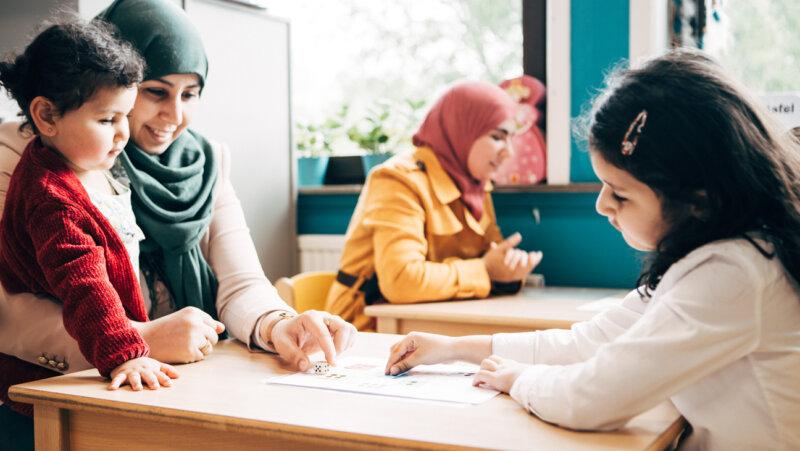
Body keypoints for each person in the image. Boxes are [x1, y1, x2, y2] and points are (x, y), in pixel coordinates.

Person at [384, 49, 800, 450]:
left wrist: (518, 378)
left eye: (619, 193)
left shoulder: (732, 272)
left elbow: (590, 399)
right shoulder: (720, 256)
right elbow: (587, 343)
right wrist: (455, 348)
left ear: (697, 198)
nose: (602, 205)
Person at [0, 0, 356, 446]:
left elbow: (240, 280)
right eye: (156, 92)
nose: (173, 116)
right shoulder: (33, 155)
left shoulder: (205, 160)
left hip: (182, 380)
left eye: (189, 95)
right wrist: (141, 340)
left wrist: (278, 325)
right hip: (80, 386)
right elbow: (18, 307)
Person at [0, 14, 180, 410]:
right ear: (47, 116)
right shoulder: (50, 198)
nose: (123, 134)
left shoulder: (88, 163)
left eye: (124, 117)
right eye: (106, 119)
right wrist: (126, 353)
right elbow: (84, 284)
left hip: (98, 360)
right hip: (49, 388)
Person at [325, 80, 544, 331]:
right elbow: (401, 280)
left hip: (430, 325)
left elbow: (492, 256)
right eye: (497, 137)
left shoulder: (476, 184)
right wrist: (486, 270)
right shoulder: (398, 179)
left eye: (511, 139)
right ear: (462, 130)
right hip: (361, 330)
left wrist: (508, 268)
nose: (509, 152)